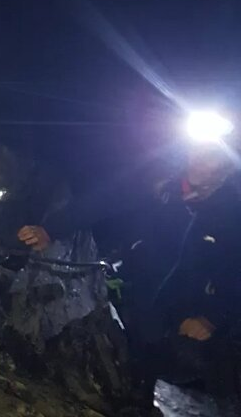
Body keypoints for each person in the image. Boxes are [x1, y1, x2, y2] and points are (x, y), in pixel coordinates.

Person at [17, 114, 241, 405]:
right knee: (113, 359)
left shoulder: (231, 213)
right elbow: (107, 197)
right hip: (133, 287)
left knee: (186, 367)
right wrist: (50, 229)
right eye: (196, 149)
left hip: (185, 310)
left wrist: (211, 319)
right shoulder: (163, 184)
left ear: (227, 164)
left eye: (211, 155)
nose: (198, 159)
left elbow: (236, 272)